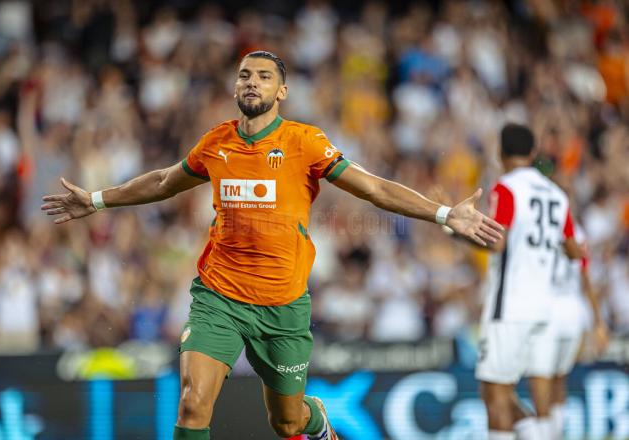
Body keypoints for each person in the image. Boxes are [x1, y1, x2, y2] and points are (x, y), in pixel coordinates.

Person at [41, 50, 503, 440]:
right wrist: (97, 200)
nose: (252, 82)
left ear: (281, 92)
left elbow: (374, 189)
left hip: (283, 306)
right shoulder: (216, 143)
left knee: (287, 423)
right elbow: (164, 181)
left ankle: (316, 418)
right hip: (218, 297)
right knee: (192, 405)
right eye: (245, 74)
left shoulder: (304, 142)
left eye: (264, 76)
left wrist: (444, 214)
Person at [474, 123, 582, 440]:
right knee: (503, 392)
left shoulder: (506, 187)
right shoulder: (557, 194)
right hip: (544, 308)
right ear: (533, 152)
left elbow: (496, 242)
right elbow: (574, 250)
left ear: (500, 153)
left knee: (495, 395)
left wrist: (458, 230)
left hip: (510, 306)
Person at [525, 222, 608, 439]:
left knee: (540, 379)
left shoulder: (534, 221)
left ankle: (545, 434)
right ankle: (554, 434)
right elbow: (585, 275)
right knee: (558, 380)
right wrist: (598, 320)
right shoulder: (578, 229)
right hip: (572, 310)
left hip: (544, 309)